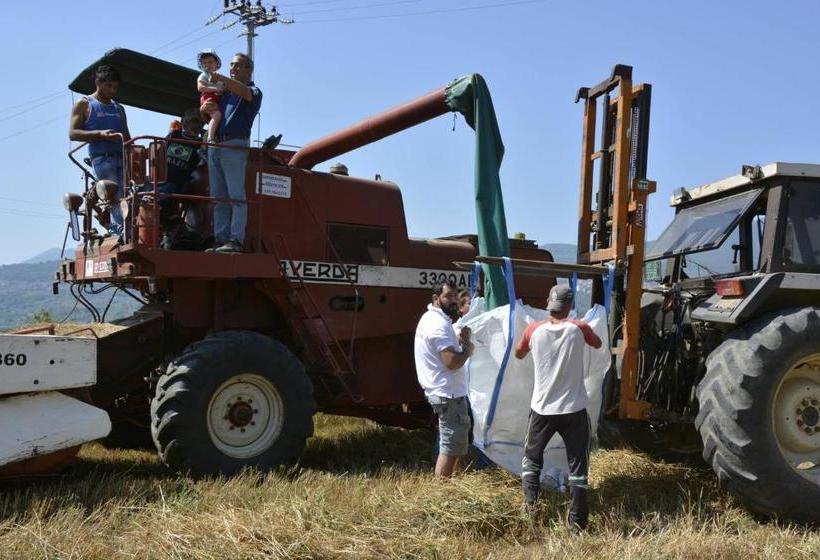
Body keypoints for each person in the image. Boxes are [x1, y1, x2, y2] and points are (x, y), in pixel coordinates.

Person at [514, 284, 601, 531]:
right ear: (569, 306)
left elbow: (518, 353)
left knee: (532, 460)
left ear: (548, 304)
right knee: (578, 466)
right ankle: (577, 523)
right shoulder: (579, 328)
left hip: (542, 409)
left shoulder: (533, 330)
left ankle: (531, 513)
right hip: (574, 409)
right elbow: (597, 344)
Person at [201, 53, 263, 253]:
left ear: (248, 69)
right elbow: (211, 117)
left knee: (236, 195)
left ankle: (236, 240)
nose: (232, 69)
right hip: (215, 145)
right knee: (218, 197)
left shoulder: (254, 91)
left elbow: (245, 92)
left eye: (237, 65)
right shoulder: (225, 93)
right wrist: (204, 109)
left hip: (234, 145)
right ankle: (221, 239)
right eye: (231, 65)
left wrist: (219, 78)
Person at [415, 280, 474, 477]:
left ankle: (449, 482)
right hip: (447, 393)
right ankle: (442, 488)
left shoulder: (433, 319)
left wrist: (459, 340)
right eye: (448, 296)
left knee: (452, 443)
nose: (454, 300)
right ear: (436, 298)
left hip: (445, 391)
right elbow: (451, 362)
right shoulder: (438, 324)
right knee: (449, 447)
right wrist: (467, 349)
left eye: (455, 296)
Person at [69, 65, 131, 236]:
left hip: (122, 158)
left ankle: (129, 230)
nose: (112, 90)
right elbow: (73, 133)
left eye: (115, 87)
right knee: (115, 196)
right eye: (108, 86)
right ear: (98, 83)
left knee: (131, 195)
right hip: (102, 159)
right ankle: (122, 234)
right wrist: (100, 134)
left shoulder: (119, 108)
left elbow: (126, 136)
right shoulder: (84, 104)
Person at [196, 49, 225, 144]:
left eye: (210, 62)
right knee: (217, 115)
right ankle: (210, 138)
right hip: (208, 98)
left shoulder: (220, 77)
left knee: (217, 117)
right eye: (204, 63)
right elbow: (200, 87)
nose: (207, 65)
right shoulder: (204, 75)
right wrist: (215, 89)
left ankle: (210, 135)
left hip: (216, 99)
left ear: (216, 63)